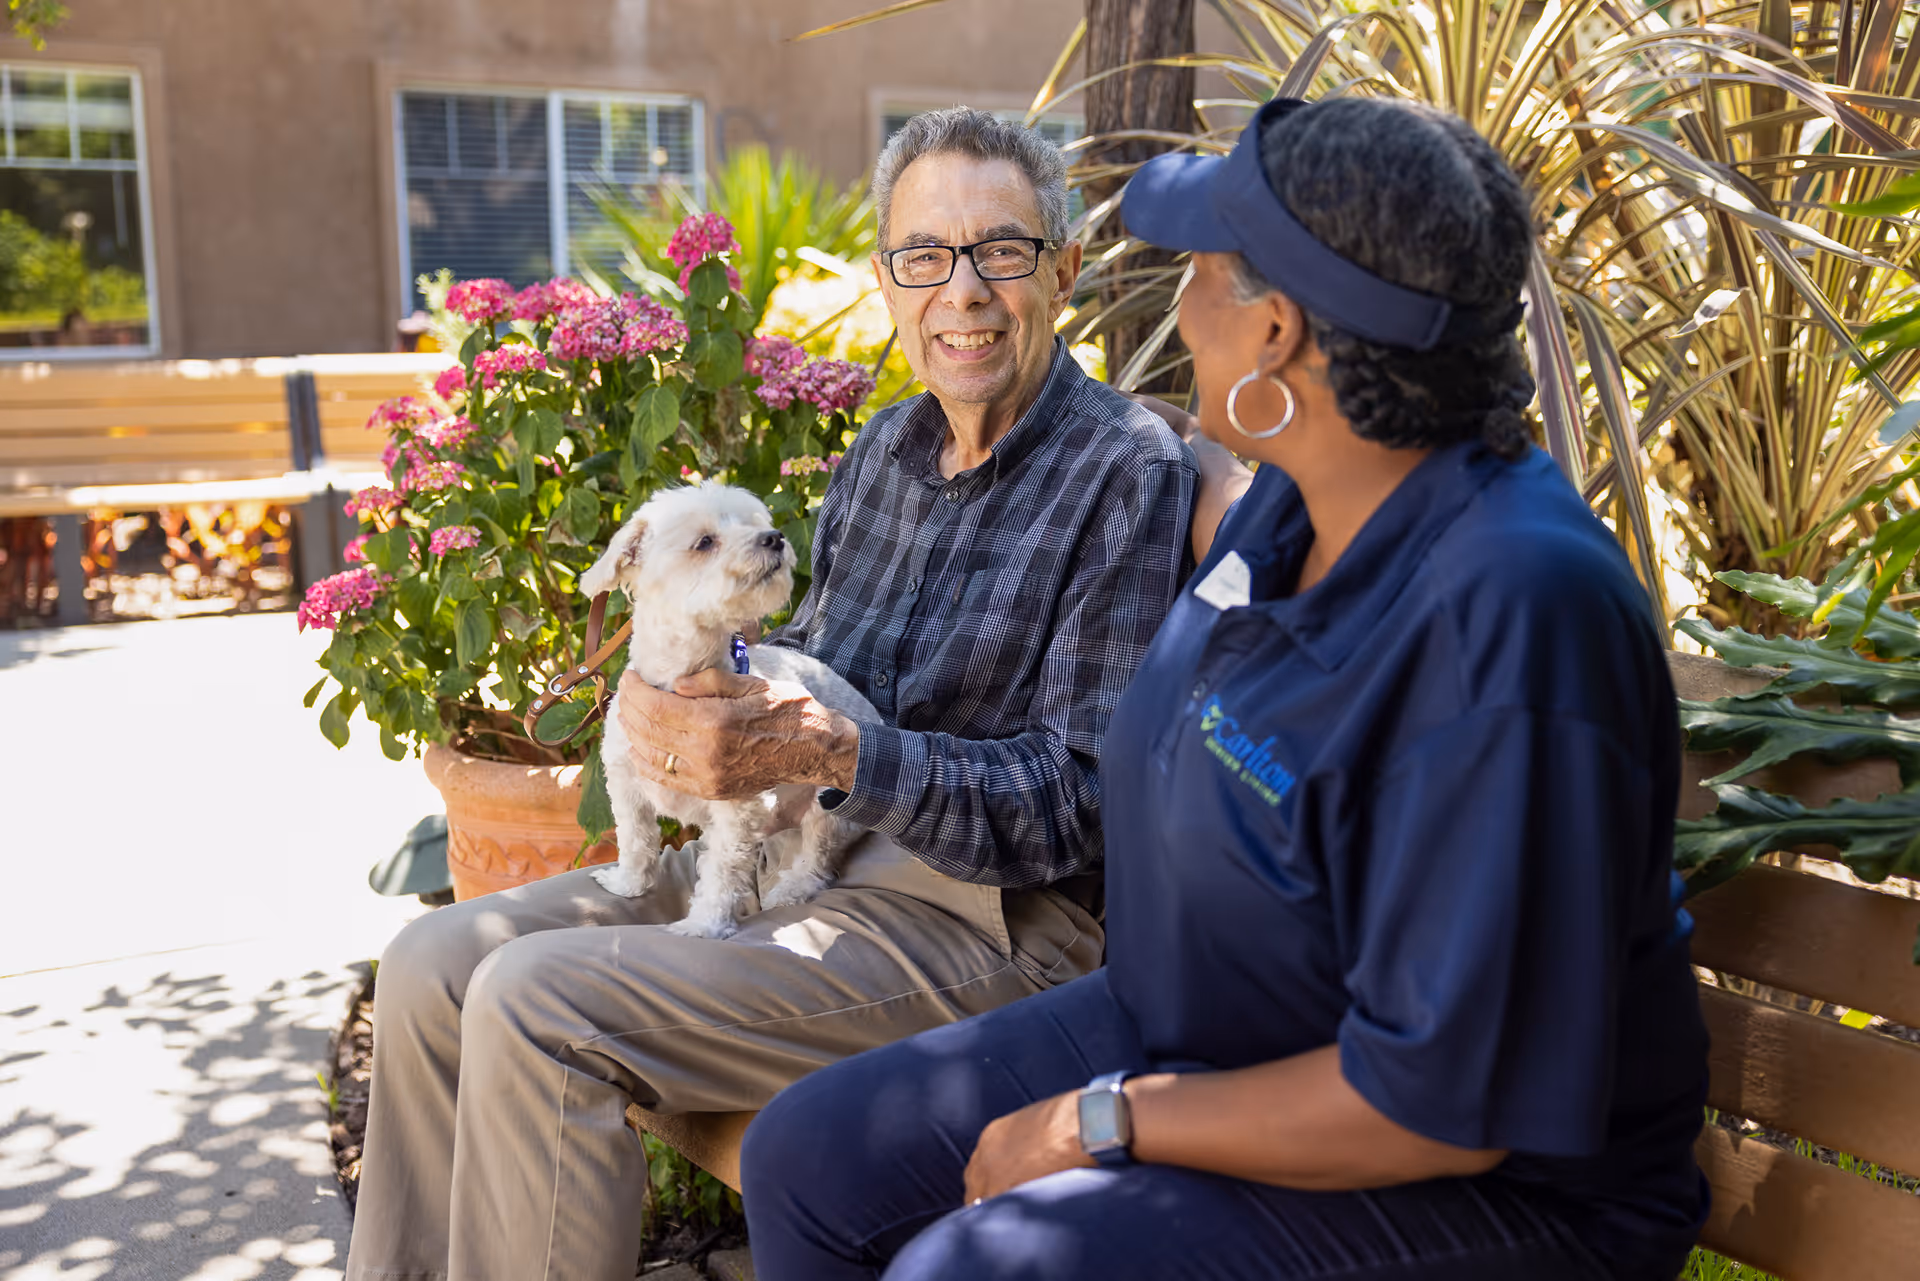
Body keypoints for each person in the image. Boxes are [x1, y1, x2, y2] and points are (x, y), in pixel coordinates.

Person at [739, 95, 1711, 1281]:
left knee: (980, 1268)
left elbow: (1441, 1103)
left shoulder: (1512, 614)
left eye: (1199, 269)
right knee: (809, 1156)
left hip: (1493, 1182)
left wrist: (1108, 1119)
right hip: (1200, 1030)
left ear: (1278, 334)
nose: (1176, 305)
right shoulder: (1297, 500)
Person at [343, 108, 1197, 1281]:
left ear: (1063, 267)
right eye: (924, 258)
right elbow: (792, 663)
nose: (965, 293)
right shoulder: (882, 453)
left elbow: (1079, 806)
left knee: (540, 1002)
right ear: (889, 279)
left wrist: (836, 752)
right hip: (804, 861)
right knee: (435, 965)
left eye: (1002, 251)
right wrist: (686, 708)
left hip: (985, 920)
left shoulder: (1124, 470)